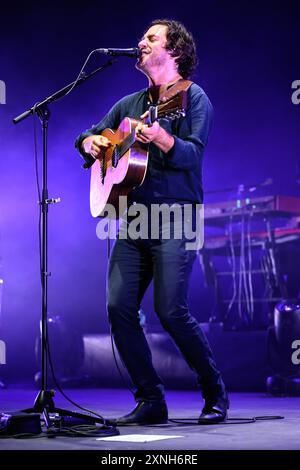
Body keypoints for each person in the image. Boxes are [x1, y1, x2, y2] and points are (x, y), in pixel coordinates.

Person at [75, 19, 229, 425]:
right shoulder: (128, 105)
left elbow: (194, 155)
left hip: (177, 216)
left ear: (175, 50)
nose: (140, 42)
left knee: (171, 310)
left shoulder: (193, 99)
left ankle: (214, 391)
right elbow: (90, 136)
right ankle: (150, 400)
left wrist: (162, 139)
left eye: (151, 38)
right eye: (142, 38)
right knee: (117, 306)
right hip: (134, 219)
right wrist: (88, 143)